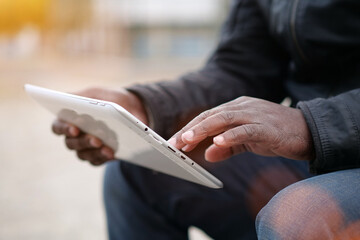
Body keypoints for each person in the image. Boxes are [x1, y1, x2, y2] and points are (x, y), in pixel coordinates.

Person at [52, 0, 360, 239]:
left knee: (304, 216)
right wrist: (144, 105)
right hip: (309, 154)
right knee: (141, 169)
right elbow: (243, 68)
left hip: (334, 144)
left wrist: (312, 125)